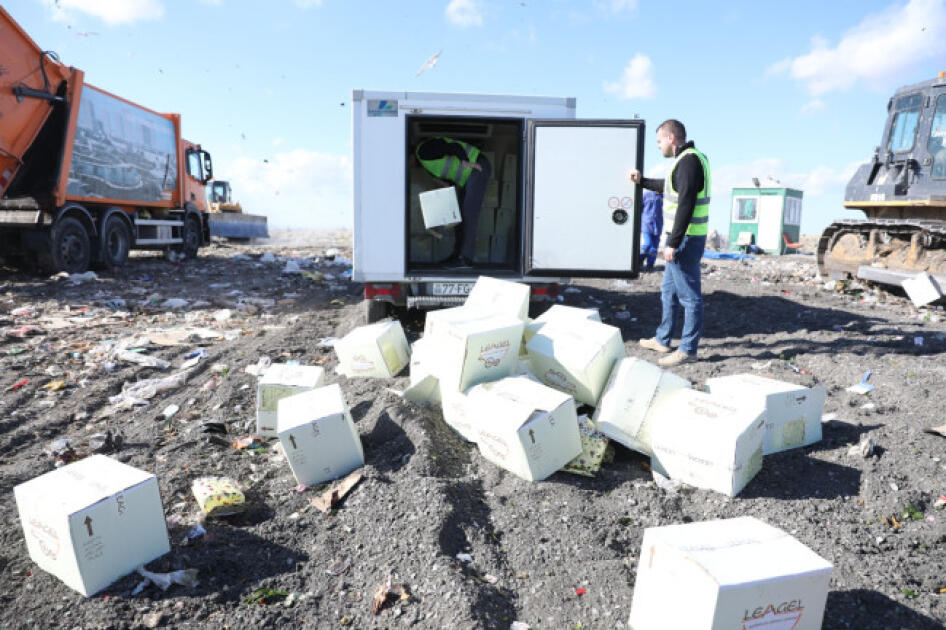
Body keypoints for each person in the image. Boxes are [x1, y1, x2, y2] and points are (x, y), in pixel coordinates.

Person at [628, 119, 711, 367]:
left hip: (685, 240)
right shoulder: (688, 160)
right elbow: (669, 188)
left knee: (690, 297)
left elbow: (686, 202)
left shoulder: (689, 161)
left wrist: (672, 243)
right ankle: (663, 339)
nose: (658, 146)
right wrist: (642, 181)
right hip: (683, 237)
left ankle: (688, 350)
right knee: (668, 291)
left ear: (671, 138)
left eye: (659, 141)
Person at [415, 136, 492, 266]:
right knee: (460, 216)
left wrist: (465, 161)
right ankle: (457, 255)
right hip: (467, 178)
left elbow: (453, 147)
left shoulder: (424, 150)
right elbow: (448, 177)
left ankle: (465, 258)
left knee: (469, 214)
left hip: (477, 166)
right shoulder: (426, 165)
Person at [639, 189, 663, 271]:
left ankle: (650, 264)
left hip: (658, 225)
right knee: (647, 243)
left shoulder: (663, 196)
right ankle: (639, 260)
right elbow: (639, 208)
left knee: (654, 247)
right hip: (646, 224)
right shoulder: (646, 195)